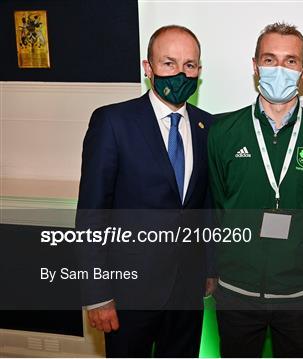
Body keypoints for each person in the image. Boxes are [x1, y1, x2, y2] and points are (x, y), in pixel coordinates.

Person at [76, 25, 214, 357]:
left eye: (190, 65)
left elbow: (206, 206)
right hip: (127, 295)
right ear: (147, 68)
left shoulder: (208, 126)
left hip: (186, 295)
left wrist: (210, 269)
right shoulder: (112, 122)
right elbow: (92, 213)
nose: (181, 73)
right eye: (169, 63)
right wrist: (97, 294)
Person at [207, 22, 303, 357]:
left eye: (291, 61)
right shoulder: (223, 132)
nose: (279, 69)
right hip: (236, 291)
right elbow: (216, 205)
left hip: (301, 295)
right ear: (255, 66)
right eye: (270, 60)